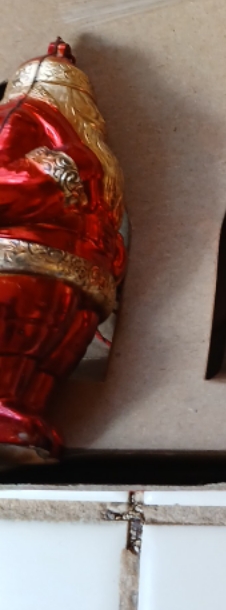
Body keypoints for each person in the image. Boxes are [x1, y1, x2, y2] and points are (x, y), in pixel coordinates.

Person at [0, 39, 127, 463]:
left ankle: (23, 421)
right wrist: (50, 174)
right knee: (14, 346)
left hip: (72, 278)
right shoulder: (20, 117)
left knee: (45, 364)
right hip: (21, 268)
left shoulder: (79, 140)